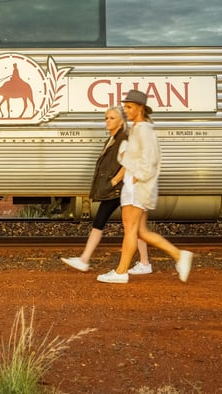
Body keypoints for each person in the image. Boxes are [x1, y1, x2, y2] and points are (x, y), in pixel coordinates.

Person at [97, 89, 194, 284]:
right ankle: (179, 255)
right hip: (135, 185)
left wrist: (137, 177)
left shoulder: (143, 130)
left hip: (137, 187)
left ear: (140, 108)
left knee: (130, 229)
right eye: (125, 107)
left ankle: (121, 272)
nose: (126, 110)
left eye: (129, 107)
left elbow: (151, 160)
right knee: (140, 231)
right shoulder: (137, 129)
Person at [61, 107, 152, 275]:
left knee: (105, 222)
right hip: (120, 189)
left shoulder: (123, 138)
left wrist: (114, 181)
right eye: (106, 118)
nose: (107, 121)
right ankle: (144, 262)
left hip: (122, 189)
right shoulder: (113, 139)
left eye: (112, 118)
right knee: (132, 227)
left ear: (121, 121)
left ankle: (85, 260)